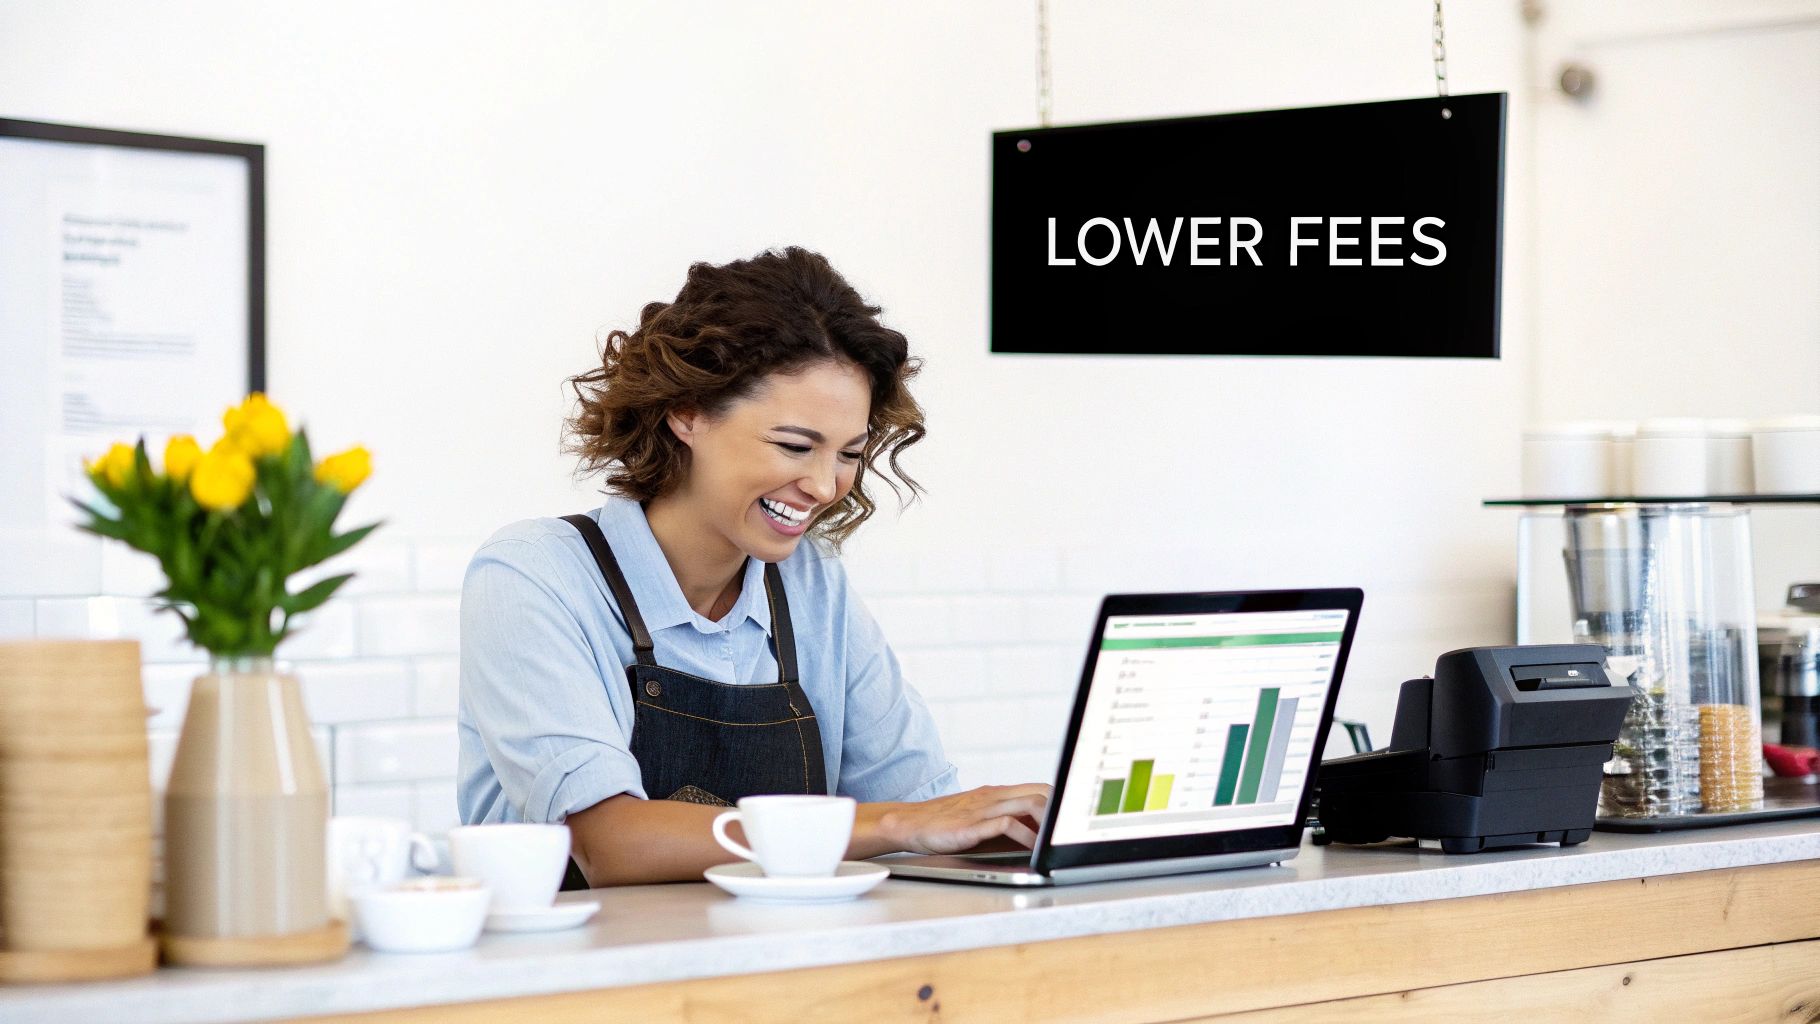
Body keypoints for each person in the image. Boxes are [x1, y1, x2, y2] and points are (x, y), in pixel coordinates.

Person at [457, 247, 1051, 886]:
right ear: (687, 412)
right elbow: (610, 845)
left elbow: (924, 817)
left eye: (849, 453)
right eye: (795, 445)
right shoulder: (533, 575)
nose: (825, 486)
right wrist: (894, 826)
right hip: (582, 977)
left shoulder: (811, 583)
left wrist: (1036, 832)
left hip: (772, 971)